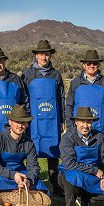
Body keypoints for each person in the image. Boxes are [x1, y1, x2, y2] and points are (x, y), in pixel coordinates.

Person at [0, 104, 49, 206]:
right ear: (10, 121)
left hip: (21, 173)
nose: (20, 125)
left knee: (42, 189)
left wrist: (29, 180)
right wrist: (12, 175)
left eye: (24, 122)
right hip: (2, 173)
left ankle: (23, 204)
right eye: (17, 122)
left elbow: (34, 166)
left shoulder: (29, 142)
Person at [58, 107, 104, 206]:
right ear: (76, 122)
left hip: (91, 176)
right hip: (69, 173)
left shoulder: (99, 136)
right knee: (72, 179)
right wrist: (94, 170)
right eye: (82, 122)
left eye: (88, 122)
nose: (85, 125)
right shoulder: (67, 138)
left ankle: (86, 199)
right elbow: (70, 164)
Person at [21, 40, 65, 196]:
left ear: (50, 55)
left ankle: (56, 184)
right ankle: (33, 182)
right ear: (36, 55)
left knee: (53, 153)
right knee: (32, 151)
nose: (44, 57)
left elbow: (61, 99)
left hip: (53, 120)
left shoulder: (56, 74)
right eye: (41, 54)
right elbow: (23, 98)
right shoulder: (27, 74)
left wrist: (62, 120)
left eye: (46, 54)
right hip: (33, 121)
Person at [65, 49, 104, 142]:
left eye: (95, 63)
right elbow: (69, 105)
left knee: (101, 155)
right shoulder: (75, 82)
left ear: (98, 64)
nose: (91, 66)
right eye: (88, 63)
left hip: (101, 129)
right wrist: (70, 126)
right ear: (84, 65)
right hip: (79, 130)